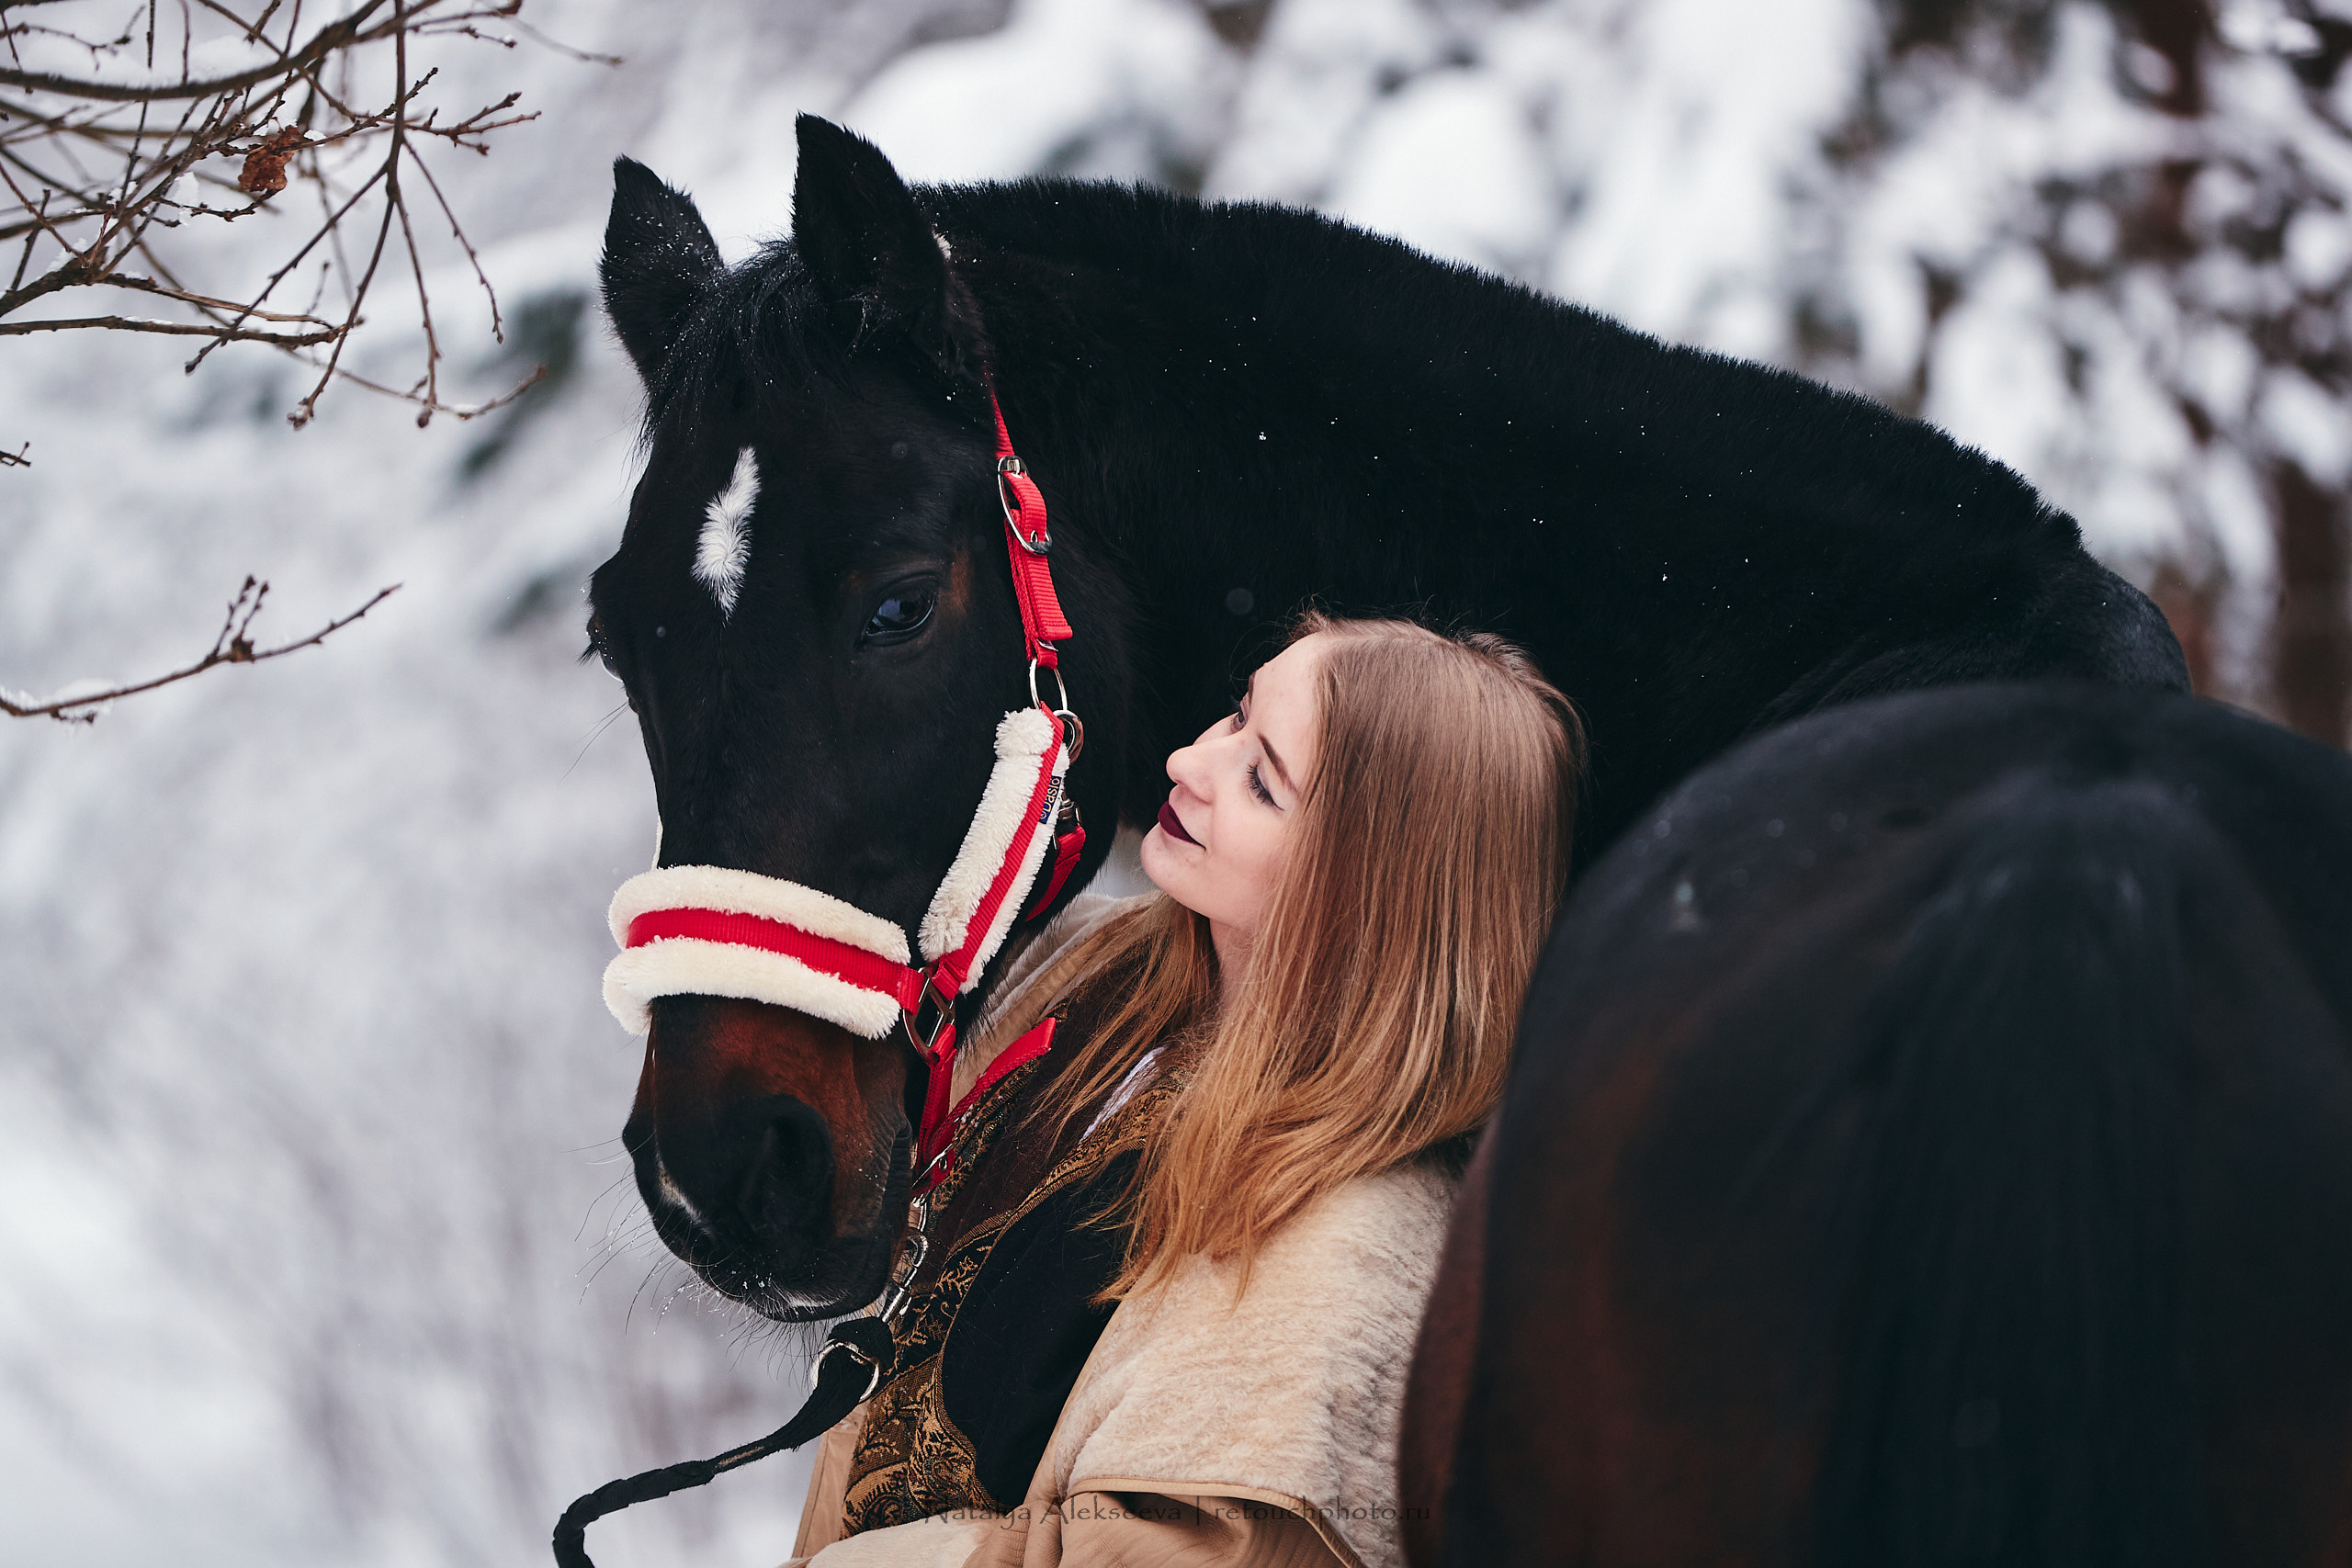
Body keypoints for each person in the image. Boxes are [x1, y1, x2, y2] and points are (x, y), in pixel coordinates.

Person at [786, 613, 1582, 1568]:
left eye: (1261, 782)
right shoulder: (1102, 967)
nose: (1187, 762)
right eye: (1236, 716)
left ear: (1370, 887)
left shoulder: (1354, 1248)